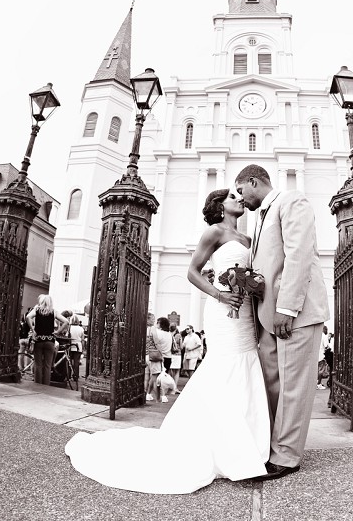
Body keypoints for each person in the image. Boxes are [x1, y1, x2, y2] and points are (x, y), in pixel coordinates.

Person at [65, 188, 269, 493]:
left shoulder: (249, 239)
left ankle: (247, 445)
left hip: (244, 313)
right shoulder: (214, 232)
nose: (239, 199)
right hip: (223, 309)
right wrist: (218, 293)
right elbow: (192, 271)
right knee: (224, 367)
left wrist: (251, 287)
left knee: (246, 364)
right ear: (219, 206)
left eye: (239, 196)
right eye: (231, 197)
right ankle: (233, 451)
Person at [235, 164, 328, 481]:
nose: (240, 198)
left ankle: (287, 457)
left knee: (293, 387)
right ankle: (272, 447)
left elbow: (299, 255)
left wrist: (287, 309)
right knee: (272, 385)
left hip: (296, 314)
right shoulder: (260, 216)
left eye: (240, 191)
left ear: (253, 182)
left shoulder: (291, 201)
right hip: (269, 319)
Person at [26, 295, 70, 385]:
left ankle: (37, 384)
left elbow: (28, 317)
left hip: (38, 340)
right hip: (50, 341)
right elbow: (66, 321)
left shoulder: (37, 310)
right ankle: (46, 385)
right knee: (47, 365)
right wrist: (58, 331)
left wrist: (33, 329)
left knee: (38, 364)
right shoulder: (54, 312)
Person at [144, 315, 170, 402]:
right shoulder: (153, 329)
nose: (154, 322)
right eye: (153, 319)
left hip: (146, 354)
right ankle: (160, 396)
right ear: (148, 319)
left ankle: (147, 394)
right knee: (157, 377)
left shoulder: (144, 328)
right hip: (154, 355)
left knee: (148, 376)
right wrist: (161, 355)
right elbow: (157, 342)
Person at [168, 324, 183, 390]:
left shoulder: (168, 335)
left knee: (170, 371)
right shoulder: (179, 336)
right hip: (177, 355)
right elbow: (181, 347)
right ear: (176, 329)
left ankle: (169, 386)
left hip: (170, 354)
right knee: (177, 371)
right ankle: (175, 387)